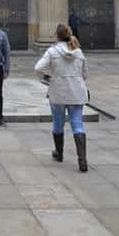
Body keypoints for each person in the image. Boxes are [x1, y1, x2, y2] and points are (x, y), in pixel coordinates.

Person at [34, 24, 89, 172]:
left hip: (58, 91)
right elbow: (85, 73)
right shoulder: (78, 52)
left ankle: (59, 153)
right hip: (76, 92)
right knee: (77, 124)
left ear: (56, 35)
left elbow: (38, 68)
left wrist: (46, 78)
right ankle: (82, 159)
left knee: (58, 123)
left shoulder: (52, 51)